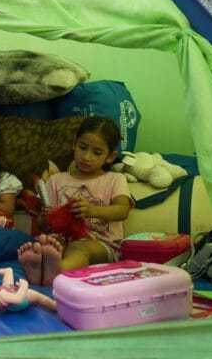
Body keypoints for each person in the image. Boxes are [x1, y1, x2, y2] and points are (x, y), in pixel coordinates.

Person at [17, 116, 132, 286]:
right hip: (60, 242)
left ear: (110, 156)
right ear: (74, 144)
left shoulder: (115, 179)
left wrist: (91, 210)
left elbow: (122, 210)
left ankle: (58, 272)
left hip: (100, 245)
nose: (86, 157)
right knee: (43, 243)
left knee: (80, 248)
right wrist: (46, 218)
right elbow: (44, 225)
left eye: (97, 152)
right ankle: (40, 268)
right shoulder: (56, 181)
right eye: (82, 147)